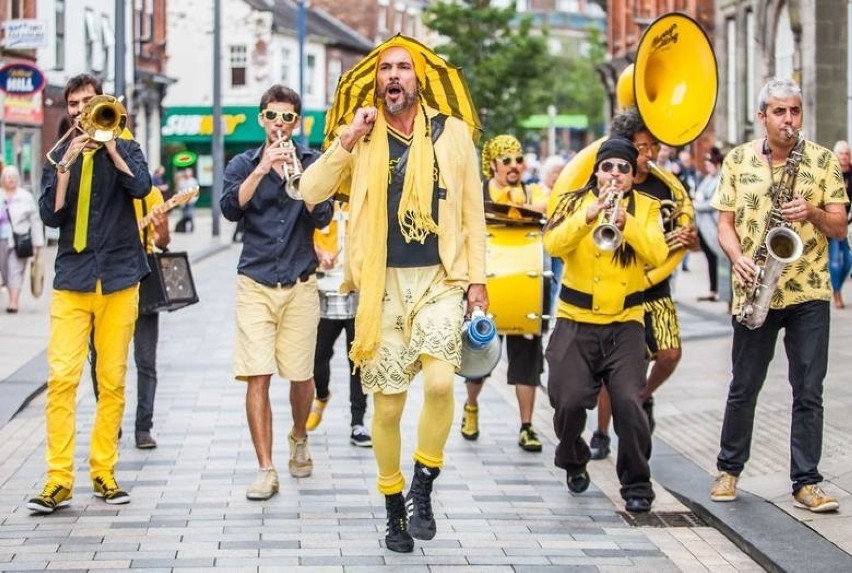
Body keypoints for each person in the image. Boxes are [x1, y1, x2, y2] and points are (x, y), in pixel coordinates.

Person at [299, 36, 487, 553]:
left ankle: (423, 486)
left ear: (418, 78)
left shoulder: (451, 134)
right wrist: (345, 141)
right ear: (377, 82)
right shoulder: (362, 136)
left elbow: (473, 210)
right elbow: (309, 192)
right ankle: (393, 507)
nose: (395, 77)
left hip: (439, 279)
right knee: (386, 410)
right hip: (382, 286)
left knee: (442, 384)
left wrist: (477, 281)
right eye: (387, 70)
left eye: (404, 68)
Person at [709, 77, 847, 513]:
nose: (789, 120)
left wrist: (812, 212)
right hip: (755, 289)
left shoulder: (822, 161)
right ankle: (729, 469)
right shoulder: (737, 161)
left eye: (795, 111)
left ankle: (806, 482)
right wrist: (736, 258)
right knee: (744, 386)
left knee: (808, 389)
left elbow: (840, 226)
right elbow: (724, 224)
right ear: (762, 116)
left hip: (808, 290)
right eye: (780, 112)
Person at [28, 73, 152, 513]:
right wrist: (64, 168)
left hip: (119, 276)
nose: (82, 111)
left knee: (112, 379)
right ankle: (58, 479)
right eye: (75, 104)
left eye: (89, 102)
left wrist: (112, 145)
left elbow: (141, 188)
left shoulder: (128, 146)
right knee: (61, 380)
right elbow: (50, 216)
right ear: (68, 109)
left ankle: (104, 470)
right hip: (74, 277)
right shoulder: (59, 154)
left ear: (103, 103)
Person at [221, 84, 333, 501]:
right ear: (261, 119)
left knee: (301, 375)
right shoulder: (242, 162)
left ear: (297, 121)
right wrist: (262, 168)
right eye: (272, 115)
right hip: (254, 281)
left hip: (300, 282)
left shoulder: (312, 161)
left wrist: (299, 178)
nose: (280, 124)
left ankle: (299, 434)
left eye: (288, 117)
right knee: (258, 375)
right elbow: (231, 207)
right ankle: (265, 469)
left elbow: (322, 216)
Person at [543, 137, 667, 514]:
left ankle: (637, 483)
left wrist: (626, 224)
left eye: (623, 169)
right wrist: (588, 216)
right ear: (597, 171)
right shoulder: (572, 202)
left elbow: (658, 253)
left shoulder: (646, 207)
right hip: (575, 321)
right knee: (565, 401)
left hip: (625, 323)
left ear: (632, 176)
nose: (615, 174)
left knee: (630, 401)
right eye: (608, 167)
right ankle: (574, 457)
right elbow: (552, 244)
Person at [587, 107, 696, 460]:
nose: (651, 154)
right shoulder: (610, 181)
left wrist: (687, 240)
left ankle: (641, 398)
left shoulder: (667, 186)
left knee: (670, 353)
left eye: (654, 146)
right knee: (611, 370)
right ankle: (602, 433)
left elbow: (678, 229)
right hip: (619, 284)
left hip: (655, 284)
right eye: (643, 147)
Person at [461, 134, 547, 452]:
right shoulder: (479, 194)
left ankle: (526, 425)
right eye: (507, 160)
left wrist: (519, 204)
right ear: (493, 164)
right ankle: (471, 407)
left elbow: (546, 204)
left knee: (528, 363)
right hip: (486, 289)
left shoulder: (532, 190)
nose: (514, 166)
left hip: (524, 292)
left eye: (518, 159)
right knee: (477, 354)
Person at [89, 186, 171, 449]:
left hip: (142, 277)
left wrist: (162, 228)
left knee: (145, 359)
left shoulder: (151, 194)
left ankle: (143, 428)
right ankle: (110, 422)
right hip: (102, 277)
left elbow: (163, 243)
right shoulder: (98, 189)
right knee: (100, 358)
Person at [308, 200, 371, 447]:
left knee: (358, 361)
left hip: (358, 290)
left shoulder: (363, 199)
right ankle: (322, 395)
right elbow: (301, 234)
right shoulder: (318, 199)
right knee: (317, 356)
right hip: (323, 289)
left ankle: (358, 422)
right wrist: (317, 253)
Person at [0, 164, 44, 313]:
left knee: (15, 270)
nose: (10, 179)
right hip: (1, 240)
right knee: (5, 271)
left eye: (13, 177)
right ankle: (10, 292)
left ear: (17, 179)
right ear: (3, 179)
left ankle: (13, 303)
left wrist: (37, 244)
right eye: (7, 177)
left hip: (20, 241)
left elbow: (35, 221)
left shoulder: (25, 197)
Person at [693, 147, 725, 302]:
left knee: (716, 257)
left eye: (710, 165)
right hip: (703, 226)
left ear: (717, 165)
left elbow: (713, 203)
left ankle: (719, 289)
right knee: (709, 258)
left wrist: (696, 205)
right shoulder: (708, 179)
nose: (708, 167)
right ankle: (713, 289)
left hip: (712, 225)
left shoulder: (720, 179)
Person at [829, 140, 852, 308]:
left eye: (846, 154)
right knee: (835, 261)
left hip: (848, 223)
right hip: (833, 221)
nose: (844, 157)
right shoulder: (830, 172)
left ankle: (836, 286)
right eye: (841, 154)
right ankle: (836, 294)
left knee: (849, 261)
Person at [174, 168, 199, 232]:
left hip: (191, 201)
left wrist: (193, 199)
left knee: (190, 215)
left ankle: (191, 228)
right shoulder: (182, 182)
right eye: (186, 173)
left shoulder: (194, 181)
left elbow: (196, 192)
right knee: (184, 215)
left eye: (188, 173)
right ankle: (183, 228)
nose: (187, 174)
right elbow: (179, 191)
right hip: (183, 202)